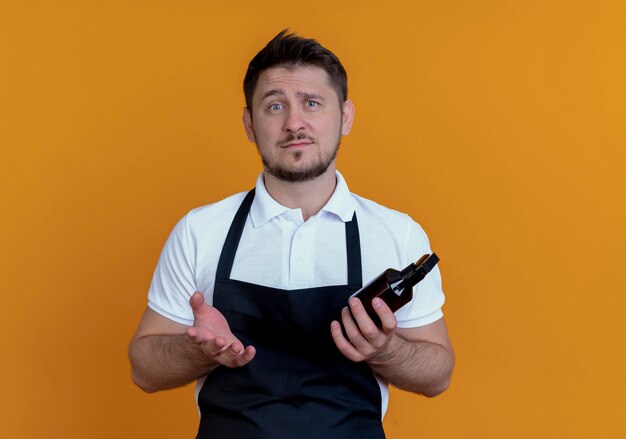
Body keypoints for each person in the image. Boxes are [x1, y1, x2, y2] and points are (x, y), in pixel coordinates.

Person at [129, 30, 454, 438]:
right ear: (250, 123)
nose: (294, 123)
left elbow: (437, 375)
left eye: (312, 103)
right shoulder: (199, 231)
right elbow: (144, 370)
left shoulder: (396, 234)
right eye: (275, 105)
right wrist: (196, 350)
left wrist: (386, 349)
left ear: (346, 116)